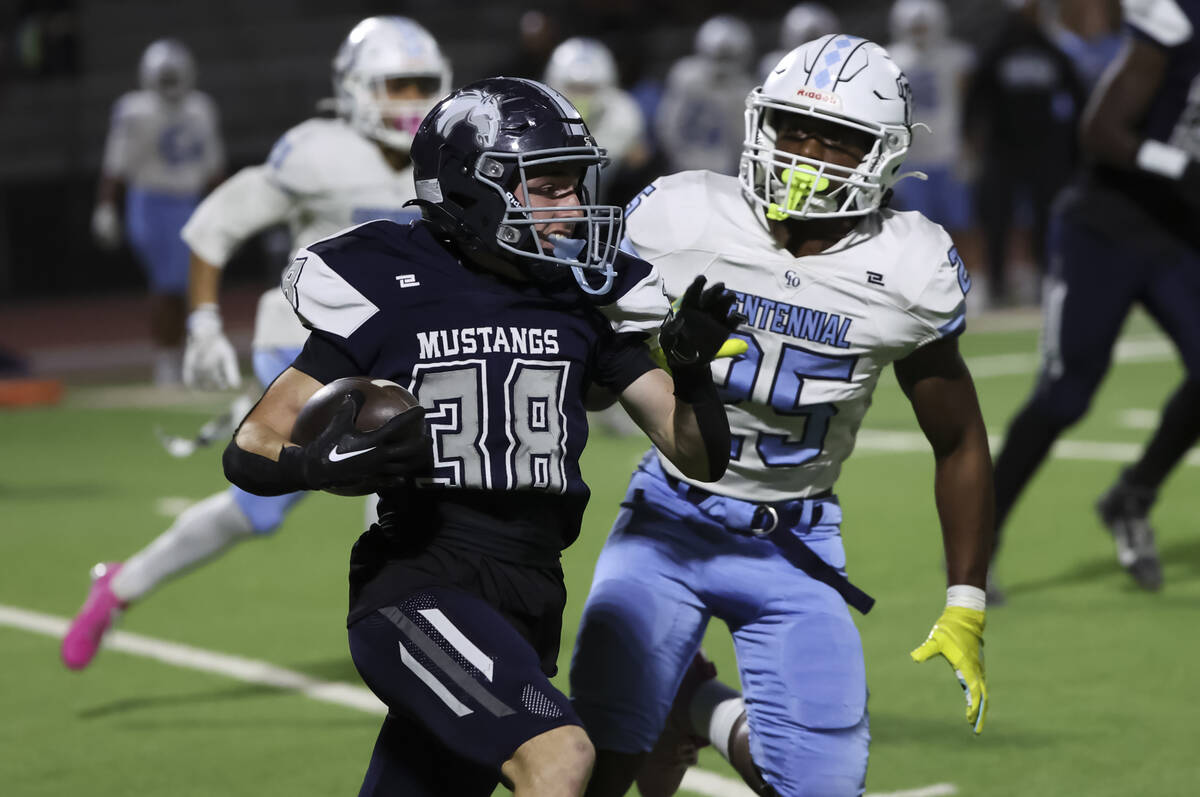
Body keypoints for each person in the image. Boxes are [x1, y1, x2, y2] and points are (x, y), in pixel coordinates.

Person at [222, 77, 740, 797]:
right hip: (419, 582)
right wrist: (315, 463)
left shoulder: (581, 290)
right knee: (560, 755)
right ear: (472, 191)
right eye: (547, 188)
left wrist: (691, 370)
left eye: (574, 185)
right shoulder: (388, 277)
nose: (572, 208)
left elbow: (697, 453)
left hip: (530, 589)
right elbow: (253, 441)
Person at [571, 35, 994, 797]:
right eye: (793, 128)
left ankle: (696, 705)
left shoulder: (910, 266)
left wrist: (966, 600)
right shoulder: (680, 215)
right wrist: (658, 350)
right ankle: (674, 707)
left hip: (794, 540)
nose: (807, 152)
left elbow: (958, 437)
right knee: (593, 766)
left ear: (884, 153)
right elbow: (594, 390)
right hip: (667, 519)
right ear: (758, 120)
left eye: (837, 138)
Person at [60, 16, 451, 671]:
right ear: (354, 88)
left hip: (398, 353)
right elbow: (214, 226)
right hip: (305, 348)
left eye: (421, 85)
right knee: (369, 478)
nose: (410, 102)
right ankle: (415, 643)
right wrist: (204, 323)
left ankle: (121, 586)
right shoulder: (318, 153)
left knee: (296, 503)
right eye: (395, 85)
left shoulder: (445, 157)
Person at [991, 0, 1200, 593]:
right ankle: (980, 536)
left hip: (1179, 233)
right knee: (1066, 395)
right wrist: (1179, 165)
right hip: (1105, 227)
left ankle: (1133, 494)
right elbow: (1099, 131)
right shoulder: (1179, 21)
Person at [92, 38, 224, 386]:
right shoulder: (134, 110)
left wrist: (225, 208)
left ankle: (183, 356)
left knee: (191, 286)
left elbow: (213, 167)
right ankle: (168, 359)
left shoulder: (200, 108)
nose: (169, 85)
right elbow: (115, 164)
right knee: (169, 285)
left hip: (190, 203)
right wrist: (107, 205)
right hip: (151, 202)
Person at [962, 0, 1086, 306]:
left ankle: (1046, 278)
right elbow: (975, 99)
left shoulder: (1051, 50)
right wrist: (970, 139)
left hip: (1044, 148)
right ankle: (997, 284)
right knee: (997, 217)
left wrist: (1071, 144)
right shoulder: (996, 50)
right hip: (1003, 149)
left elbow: (1077, 95)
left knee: (1046, 216)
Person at [886, 0, 977, 246]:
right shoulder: (889, 59)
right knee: (915, 232)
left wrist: (969, 149)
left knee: (959, 227)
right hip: (909, 160)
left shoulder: (957, 57)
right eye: (915, 28)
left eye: (924, 27)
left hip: (949, 155)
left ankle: (965, 269)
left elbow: (969, 107)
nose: (920, 33)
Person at [543, 36, 649, 202]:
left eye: (587, 89)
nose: (581, 97)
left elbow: (639, 158)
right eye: (574, 88)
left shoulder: (623, 112)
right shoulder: (539, 111)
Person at [655, 14, 758, 176]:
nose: (722, 65)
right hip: (690, 164)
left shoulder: (685, 74)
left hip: (713, 169)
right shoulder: (685, 76)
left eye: (726, 58)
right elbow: (667, 126)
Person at [758, 3, 841, 81]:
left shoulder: (835, 66)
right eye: (809, 39)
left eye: (817, 39)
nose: (813, 45)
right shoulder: (775, 65)